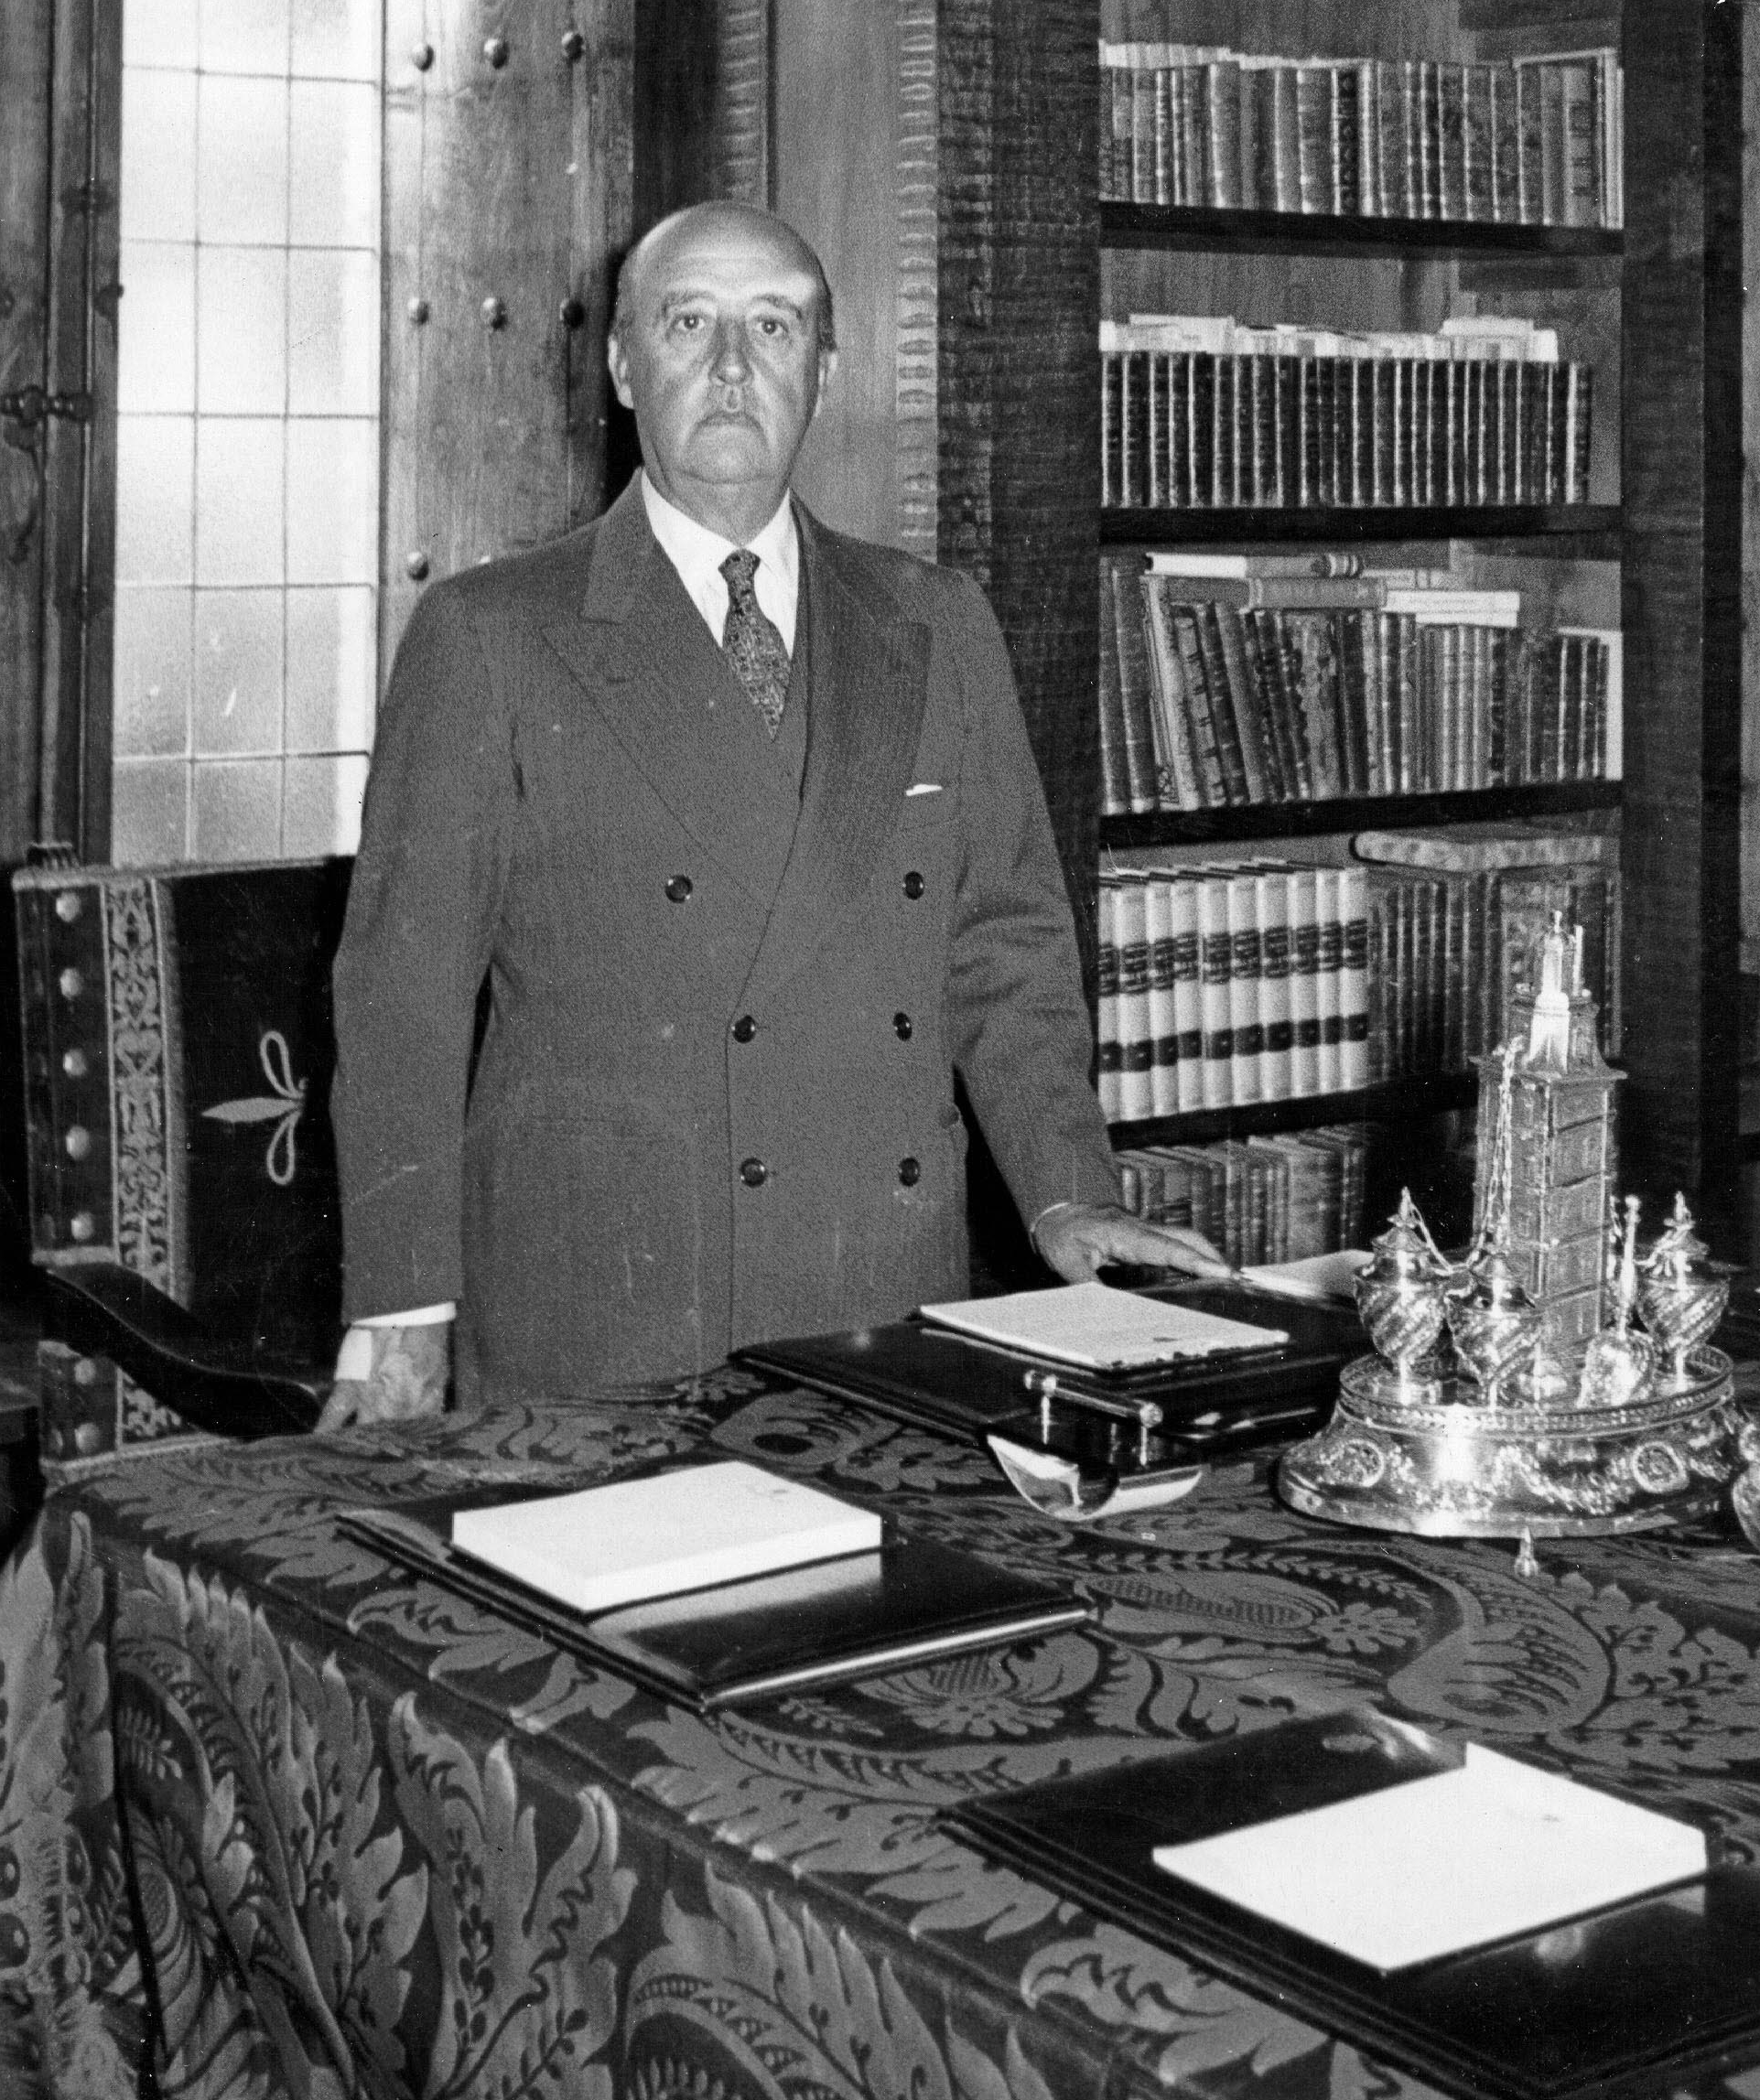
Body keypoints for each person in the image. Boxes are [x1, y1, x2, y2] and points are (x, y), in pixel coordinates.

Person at [320, 199, 1224, 1425]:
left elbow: (1004, 947)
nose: (733, 366)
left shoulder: (933, 619)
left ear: (829, 371)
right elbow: (403, 998)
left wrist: (1067, 1195)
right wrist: (403, 1315)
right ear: (624, 366)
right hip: (606, 1300)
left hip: (876, 1286)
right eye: (688, 323)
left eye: (775, 327)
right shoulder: (492, 633)